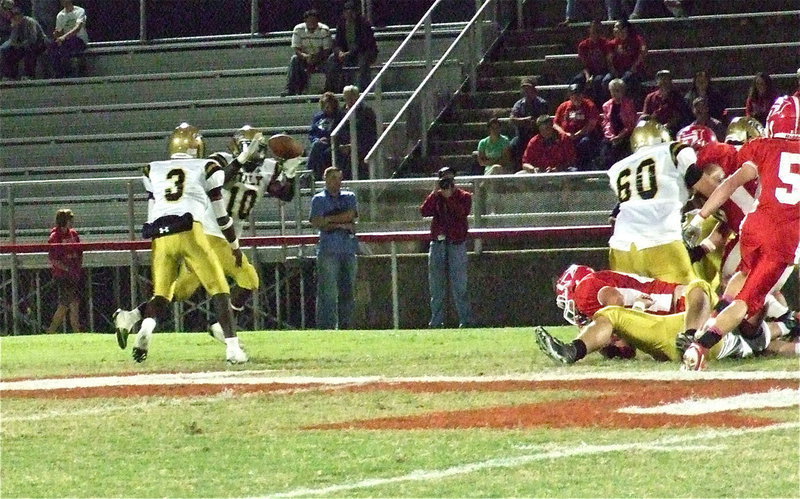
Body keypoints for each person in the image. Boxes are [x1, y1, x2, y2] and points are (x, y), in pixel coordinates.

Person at [113, 126, 281, 345]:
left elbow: (283, 192)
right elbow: (221, 180)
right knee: (248, 279)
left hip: (197, 233)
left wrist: (289, 171)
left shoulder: (267, 168)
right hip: (211, 233)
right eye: (251, 148)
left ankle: (131, 316)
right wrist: (240, 161)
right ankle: (224, 331)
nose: (256, 152)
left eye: (258, 148)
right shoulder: (217, 161)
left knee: (178, 291)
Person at [681, 95, 800, 371]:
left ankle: (714, 321)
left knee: (741, 277)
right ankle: (702, 346)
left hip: (754, 227)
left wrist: (700, 217)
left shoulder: (760, 146)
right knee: (746, 302)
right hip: (783, 239)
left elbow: (729, 184)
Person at [126, 123, 249, 364]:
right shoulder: (207, 166)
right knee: (220, 289)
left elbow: (151, 210)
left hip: (161, 235)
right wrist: (234, 246)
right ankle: (233, 349)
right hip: (190, 229)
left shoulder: (152, 169)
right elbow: (222, 217)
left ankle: (146, 328)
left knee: (162, 294)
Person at [607, 118, 718, 284]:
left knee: (633, 299)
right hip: (661, 240)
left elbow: (618, 214)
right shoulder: (672, 150)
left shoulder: (618, 168)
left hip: (621, 248)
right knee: (692, 295)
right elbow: (711, 190)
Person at [420, 167, 472, 328]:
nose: (446, 182)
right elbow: (424, 211)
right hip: (438, 244)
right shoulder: (436, 197)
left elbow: (462, 213)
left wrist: (449, 198)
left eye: (449, 179)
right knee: (436, 286)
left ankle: (465, 321)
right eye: (443, 179)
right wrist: (434, 193)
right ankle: (436, 322)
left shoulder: (464, 196)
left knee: (460, 285)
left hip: (457, 244)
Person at [309, 166, 359, 329]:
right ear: (325, 179)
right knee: (328, 292)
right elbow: (318, 222)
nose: (337, 182)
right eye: (333, 178)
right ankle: (327, 327)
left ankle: (346, 327)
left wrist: (329, 219)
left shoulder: (349, 197)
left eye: (339, 178)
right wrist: (343, 224)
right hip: (328, 251)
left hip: (348, 250)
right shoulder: (318, 199)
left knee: (348, 291)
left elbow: (351, 215)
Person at [325, 1, 377, 93]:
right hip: (346, 53)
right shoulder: (341, 24)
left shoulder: (364, 23)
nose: (349, 14)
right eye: (347, 11)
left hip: (364, 52)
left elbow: (364, 44)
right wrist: (339, 52)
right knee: (331, 60)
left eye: (352, 11)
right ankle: (332, 89)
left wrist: (348, 53)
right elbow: (337, 42)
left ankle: (363, 90)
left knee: (363, 62)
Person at [46, 208, 82, 334]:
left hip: (73, 274)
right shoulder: (55, 236)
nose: (71, 222)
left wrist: (77, 269)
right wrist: (67, 269)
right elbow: (53, 258)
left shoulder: (74, 234)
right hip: (62, 275)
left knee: (71, 303)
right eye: (69, 219)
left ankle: (75, 330)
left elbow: (79, 252)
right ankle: (52, 330)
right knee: (67, 304)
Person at [283, 9, 332, 96]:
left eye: (314, 20)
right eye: (310, 20)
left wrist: (315, 58)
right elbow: (296, 48)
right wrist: (305, 57)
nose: (312, 23)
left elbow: (327, 50)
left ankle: (330, 88)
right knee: (294, 59)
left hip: (321, 59)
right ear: (305, 20)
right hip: (304, 58)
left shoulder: (325, 30)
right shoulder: (298, 29)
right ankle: (290, 89)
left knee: (331, 62)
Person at [554, 83, 601, 171]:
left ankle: (583, 168)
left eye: (578, 94)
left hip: (585, 135)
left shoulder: (589, 105)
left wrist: (578, 134)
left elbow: (591, 124)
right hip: (566, 137)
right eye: (573, 95)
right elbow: (555, 124)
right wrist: (565, 134)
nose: (576, 97)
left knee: (585, 142)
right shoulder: (563, 107)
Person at [337, 85, 378, 180]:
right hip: (343, 145)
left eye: (352, 97)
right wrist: (340, 144)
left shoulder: (366, 111)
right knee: (325, 152)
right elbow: (336, 130)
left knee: (354, 156)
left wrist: (353, 145)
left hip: (362, 145)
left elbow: (370, 133)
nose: (350, 100)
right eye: (347, 97)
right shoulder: (341, 112)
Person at [508, 76, 549, 170]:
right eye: (524, 88)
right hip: (522, 136)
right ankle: (517, 169)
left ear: (534, 89)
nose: (526, 91)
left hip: (538, 134)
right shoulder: (519, 104)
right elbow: (512, 119)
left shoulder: (542, 103)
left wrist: (533, 122)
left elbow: (543, 120)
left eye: (528, 88)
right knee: (513, 144)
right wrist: (525, 120)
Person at [602, 19, 647, 101]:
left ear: (624, 29)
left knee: (624, 81)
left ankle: (626, 103)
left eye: (616, 27)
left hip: (633, 70)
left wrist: (634, 66)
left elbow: (643, 51)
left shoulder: (637, 39)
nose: (614, 29)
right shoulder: (612, 43)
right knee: (606, 81)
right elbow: (609, 60)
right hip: (618, 70)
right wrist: (613, 71)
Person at [0, 6, 46, 80]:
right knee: (8, 51)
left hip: (40, 43)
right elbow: (12, 41)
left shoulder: (30, 22)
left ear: (21, 14)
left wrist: (20, 45)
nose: (15, 17)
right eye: (14, 15)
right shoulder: (15, 24)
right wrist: (15, 27)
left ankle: (29, 75)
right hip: (23, 45)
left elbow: (33, 39)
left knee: (29, 49)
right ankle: (10, 75)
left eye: (17, 14)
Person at [600, 78, 637, 169]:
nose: (614, 93)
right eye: (612, 91)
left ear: (623, 91)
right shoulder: (606, 105)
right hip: (611, 135)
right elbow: (606, 123)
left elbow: (631, 124)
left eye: (617, 91)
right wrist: (611, 136)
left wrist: (620, 136)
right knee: (605, 151)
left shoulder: (629, 104)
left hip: (626, 134)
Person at [308, 91, 345, 180]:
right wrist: (317, 139)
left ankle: (308, 172)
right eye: (325, 105)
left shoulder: (340, 116)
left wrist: (329, 139)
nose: (327, 108)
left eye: (329, 105)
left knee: (318, 148)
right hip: (319, 142)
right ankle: (312, 173)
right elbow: (312, 133)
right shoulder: (318, 117)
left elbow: (342, 132)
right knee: (317, 145)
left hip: (333, 143)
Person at [642, 69, 691, 137]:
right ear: (657, 82)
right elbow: (646, 114)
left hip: (671, 131)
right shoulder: (650, 97)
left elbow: (679, 116)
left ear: (670, 81)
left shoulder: (677, 97)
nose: (664, 82)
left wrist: (665, 127)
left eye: (666, 79)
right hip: (653, 130)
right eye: (661, 79)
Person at [572, 20, 609, 106]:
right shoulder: (583, 45)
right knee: (577, 80)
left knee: (598, 80)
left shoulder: (606, 43)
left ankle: (597, 105)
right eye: (594, 29)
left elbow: (607, 63)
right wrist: (588, 76)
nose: (596, 32)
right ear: (589, 30)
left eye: (598, 30)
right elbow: (584, 64)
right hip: (589, 71)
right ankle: (575, 104)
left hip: (602, 71)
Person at [48, 0, 87, 78]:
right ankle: (58, 73)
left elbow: (77, 28)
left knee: (66, 47)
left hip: (79, 39)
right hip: (66, 40)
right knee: (52, 47)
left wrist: (64, 37)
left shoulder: (80, 11)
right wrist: (57, 35)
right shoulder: (60, 15)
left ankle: (69, 73)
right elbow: (59, 31)